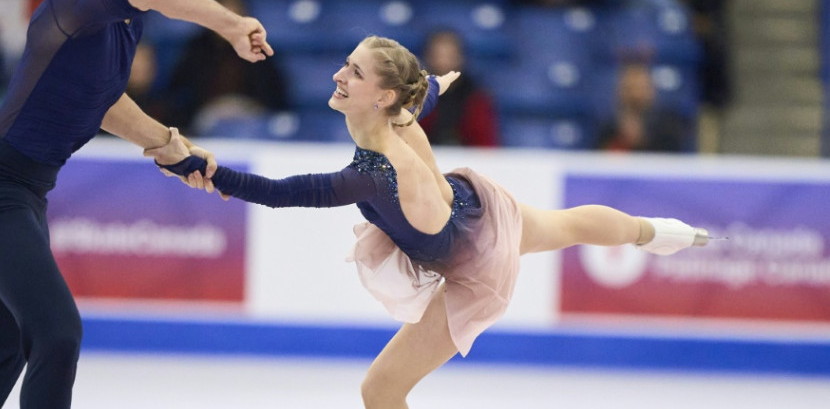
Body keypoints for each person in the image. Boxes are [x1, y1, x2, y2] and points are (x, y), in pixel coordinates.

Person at [146, 35, 709, 408]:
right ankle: (653, 231)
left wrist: (202, 168)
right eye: (347, 63)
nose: (339, 74)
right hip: (480, 209)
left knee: (381, 388)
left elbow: (281, 193)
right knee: (567, 226)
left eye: (354, 72)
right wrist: (436, 83)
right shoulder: (400, 116)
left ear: (382, 95)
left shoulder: (373, 172)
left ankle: (653, 233)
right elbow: (424, 98)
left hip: (473, 262)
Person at [0, 0, 272, 408]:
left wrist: (171, 146)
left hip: (21, 191)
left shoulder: (120, 23)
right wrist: (232, 24)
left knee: (5, 343)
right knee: (56, 333)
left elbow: (104, 102)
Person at [155, 0, 289, 134]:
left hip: (250, 116)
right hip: (205, 117)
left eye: (233, 14)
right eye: (224, 14)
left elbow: (274, 93)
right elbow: (179, 90)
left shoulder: (260, 50)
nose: (228, 22)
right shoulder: (196, 49)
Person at [417, 29, 499, 147]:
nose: (443, 62)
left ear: (460, 58)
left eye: (450, 56)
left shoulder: (477, 98)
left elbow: (485, 144)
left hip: (468, 160)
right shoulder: (415, 95)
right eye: (438, 56)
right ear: (428, 57)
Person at [596, 61, 691, 152]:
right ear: (620, 91)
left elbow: (673, 156)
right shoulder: (609, 127)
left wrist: (643, 137)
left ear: (651, 89)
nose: (635, 94)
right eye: (629, 88)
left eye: (640, 87)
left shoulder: (668, 124)